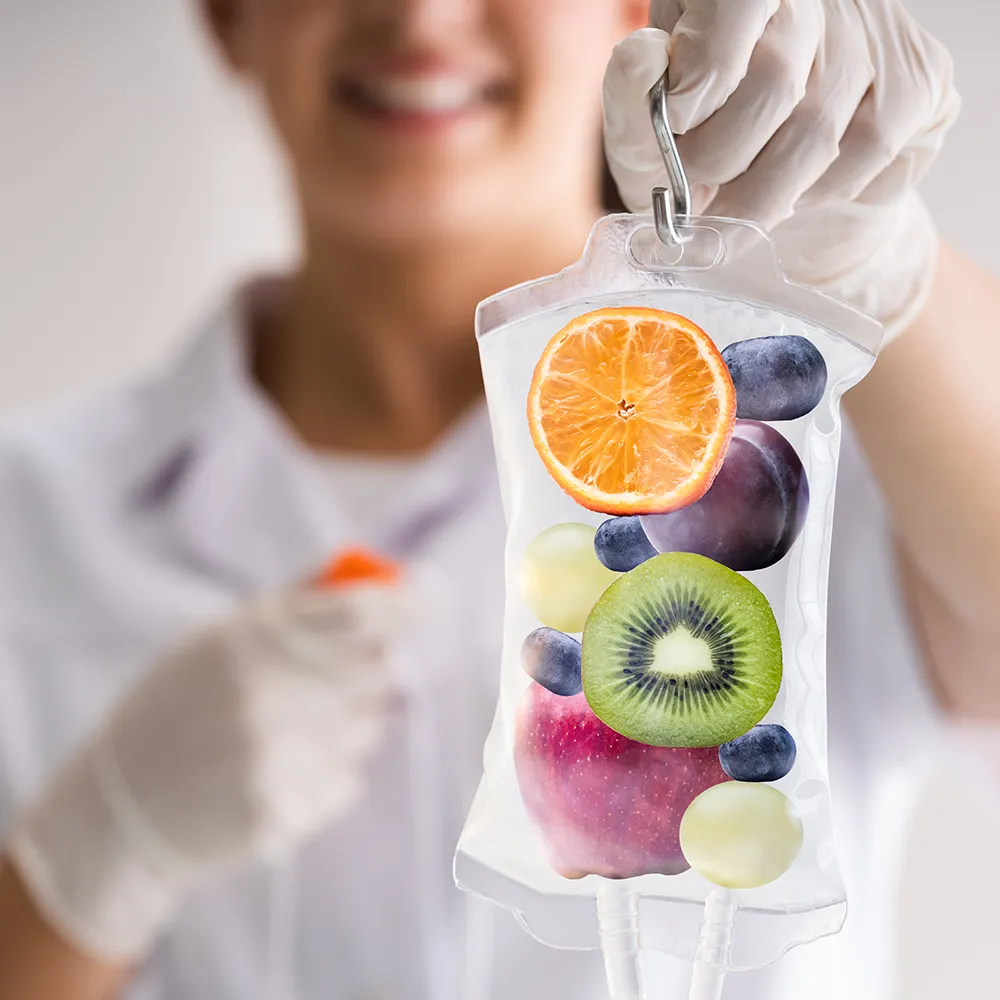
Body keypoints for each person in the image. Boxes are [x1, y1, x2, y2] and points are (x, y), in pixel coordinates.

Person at [0, 0, 993, 998]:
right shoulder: (27, 519)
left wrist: (891, 275)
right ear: (227, 19)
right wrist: (78, 877)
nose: (420, 16)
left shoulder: (806, 447)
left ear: (630, 11)